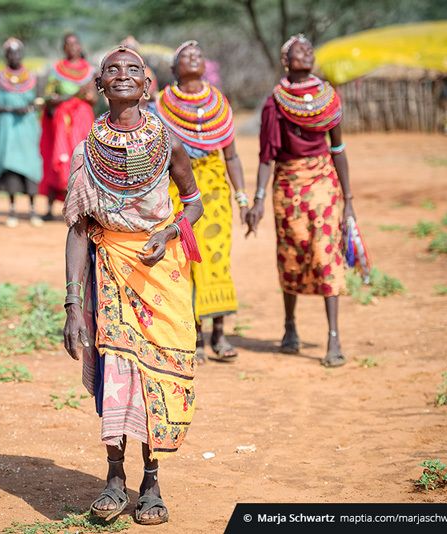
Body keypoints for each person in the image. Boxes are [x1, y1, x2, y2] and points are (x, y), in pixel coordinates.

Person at [62, 46, 204, 525]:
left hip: (160, 272)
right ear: (99, 84)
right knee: (118, 374)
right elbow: (79, 230)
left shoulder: (169, 142)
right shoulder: (87, 151)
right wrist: (71, 303)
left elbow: (194, 204)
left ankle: (153, 481)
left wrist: (168, 232)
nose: (123, 75)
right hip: (109, 274)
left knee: (155, 377)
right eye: (112, 69)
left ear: (147, 84)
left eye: (133, 69)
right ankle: (115, 478)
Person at [245, 34, 355, 367]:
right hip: (288, 185)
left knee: (326, 254)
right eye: (296, 51)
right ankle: (290, 326)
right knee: (291, 254)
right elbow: (267, 157)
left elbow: (337, 149)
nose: (304, 53)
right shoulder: (275, 103)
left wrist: (348, 200)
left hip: (323, 181)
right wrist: (259, 199)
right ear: (285, 61)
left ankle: (333, 338)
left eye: (308, 50)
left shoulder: (328, 99)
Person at [156, 41, 248, 363]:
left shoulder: (219, 104)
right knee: (184, 258)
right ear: (174, 68)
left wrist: (243, 197)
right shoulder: (161, 104)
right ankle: (193, 336)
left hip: (214, 190)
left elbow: (232, 156)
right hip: (177, 188)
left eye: (198, 54)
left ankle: (219, 333)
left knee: (216, 257)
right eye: (184, 54)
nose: (193, 56)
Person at [0, 38, 43, 227]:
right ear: (6, 55)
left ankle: (33, 211)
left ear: (22, 54)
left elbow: (38, 101)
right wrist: (9, 109)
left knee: (30, 165)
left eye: (17, 52)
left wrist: (29, 108)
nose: (14, 56)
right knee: (10, 166)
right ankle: (12, 211)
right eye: (10, 53)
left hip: (26, 127)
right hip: (7, 128)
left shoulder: (32, 78)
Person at [39, 32, 96, 221]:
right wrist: (59, 99)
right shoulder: (56, 70)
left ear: (80, 46)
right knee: (61, 156)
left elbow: (95, 98)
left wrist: (87, 96)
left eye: (75, 43)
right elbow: (48, 96)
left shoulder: (90, 71)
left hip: (82, 119)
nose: (72, 47)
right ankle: (50, 206)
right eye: (68, 44)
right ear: (63, 48)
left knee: (83, 157)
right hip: (63, 121)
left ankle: (85, 207)